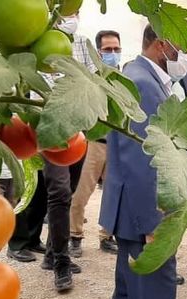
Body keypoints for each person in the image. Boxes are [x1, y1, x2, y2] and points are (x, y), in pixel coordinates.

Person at [100, 24, 187, 299]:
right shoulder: (144, 84)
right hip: (144, 216)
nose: (186, 57)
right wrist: (154, 223)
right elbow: (141, 158)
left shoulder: (139, 77)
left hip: (129, 212)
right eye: (182, 47)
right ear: (161, 45)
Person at [35, 13, 96, 292]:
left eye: (74, 13)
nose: (69, 18)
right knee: (58, 192)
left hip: (78, 131)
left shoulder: (82, 43)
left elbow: (91, 82)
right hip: (50, 130)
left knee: (68, 192)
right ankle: (61, 261)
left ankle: (51, 253)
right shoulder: (35, 42)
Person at [67, 30, 124, 258]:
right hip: (92, 141)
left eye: (116, 49)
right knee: (81, 192)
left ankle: (106, 236)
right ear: (97, 52)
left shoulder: (124, 78)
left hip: (118, 144)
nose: (112, 53)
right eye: (107, 50)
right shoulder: (90, 78)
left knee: (114, 193)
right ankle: (75, 236)